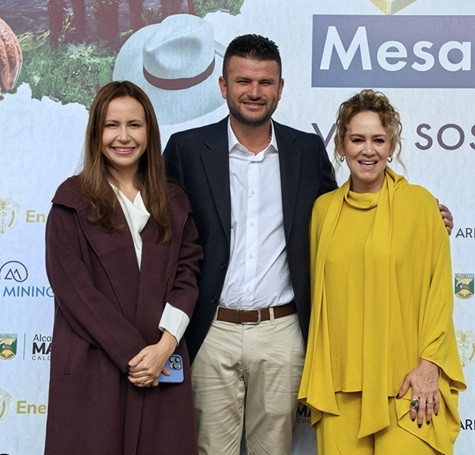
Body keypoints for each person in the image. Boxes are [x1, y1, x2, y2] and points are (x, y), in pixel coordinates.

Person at [164, 36, 454, 454]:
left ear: (280, 88)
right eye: (243, 81)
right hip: (212, 331)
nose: (254, 91)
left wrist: (425, 220)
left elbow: (355, 219)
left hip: (281, 332)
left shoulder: (305, 150)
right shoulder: (186, 149)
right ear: (224, 86)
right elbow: (162, 232)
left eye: (266, 82)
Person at [298, 89, 466, 455]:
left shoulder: (421, 205)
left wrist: (429, 366)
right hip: (340, 387)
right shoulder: (323, 211)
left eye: (378, 140)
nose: (368, 150)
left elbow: (439, 294)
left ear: (392, 146)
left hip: (407, 381)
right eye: (357, 139)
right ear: (341, 146)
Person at [44, 81, 202, 455]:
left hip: (161, 362)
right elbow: (76, 293)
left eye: (134, 125)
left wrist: (164, 348)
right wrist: (137, 357)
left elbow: (188, 275)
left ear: (149, 131)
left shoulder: (174, 201)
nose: (124, 137)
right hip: (96, 364)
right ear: (96, 132)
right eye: (112, 125)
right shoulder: (71, 201)